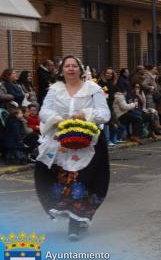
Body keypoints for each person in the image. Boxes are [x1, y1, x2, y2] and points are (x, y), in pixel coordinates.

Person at [34, 55, 111, 240]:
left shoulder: (93, 89)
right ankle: (67, 212)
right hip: (60, 140)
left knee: (80, 180)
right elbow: (44, 111)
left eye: (74, 66)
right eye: (67, 66)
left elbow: (105, 114)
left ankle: (75, 224)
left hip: (87, 142)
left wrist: (85, 114)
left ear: (80, 69)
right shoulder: (55, 89)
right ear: (62, 70)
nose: (70, 69)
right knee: (48, 175)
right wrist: (59, 119)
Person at [96, 68, 118, 147]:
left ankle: (112, 140)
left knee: (112, 123)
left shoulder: (111, 83)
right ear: (104, 74)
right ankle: (107, 141)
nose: (109, 75)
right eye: (107, 73)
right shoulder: (101, 83)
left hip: (110, 106)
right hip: (103, 106)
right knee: (106, 124)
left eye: (111, 74)